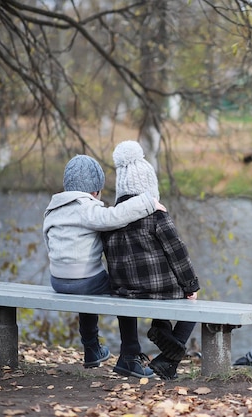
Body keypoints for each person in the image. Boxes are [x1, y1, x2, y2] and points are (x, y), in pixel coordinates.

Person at [43, 154, 165, 378]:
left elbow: (49, 244)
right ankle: (129, 355)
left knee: (85, 288)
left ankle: (91, 349)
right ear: (94, 191)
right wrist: (147, 202)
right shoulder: (86, 209)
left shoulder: (52, 210)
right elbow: (116, 216)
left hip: (58, 281)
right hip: (86, 282)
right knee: (123, 288)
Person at [102, 141, 200, 380]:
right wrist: (191, 287)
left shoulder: (110, 218)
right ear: (149, 188)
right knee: (192, 307)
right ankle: (168, 356)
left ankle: (128, 354)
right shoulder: (156, 215)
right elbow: (177, 251)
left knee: (125, 301)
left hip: (125, 290)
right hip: (160, 288)